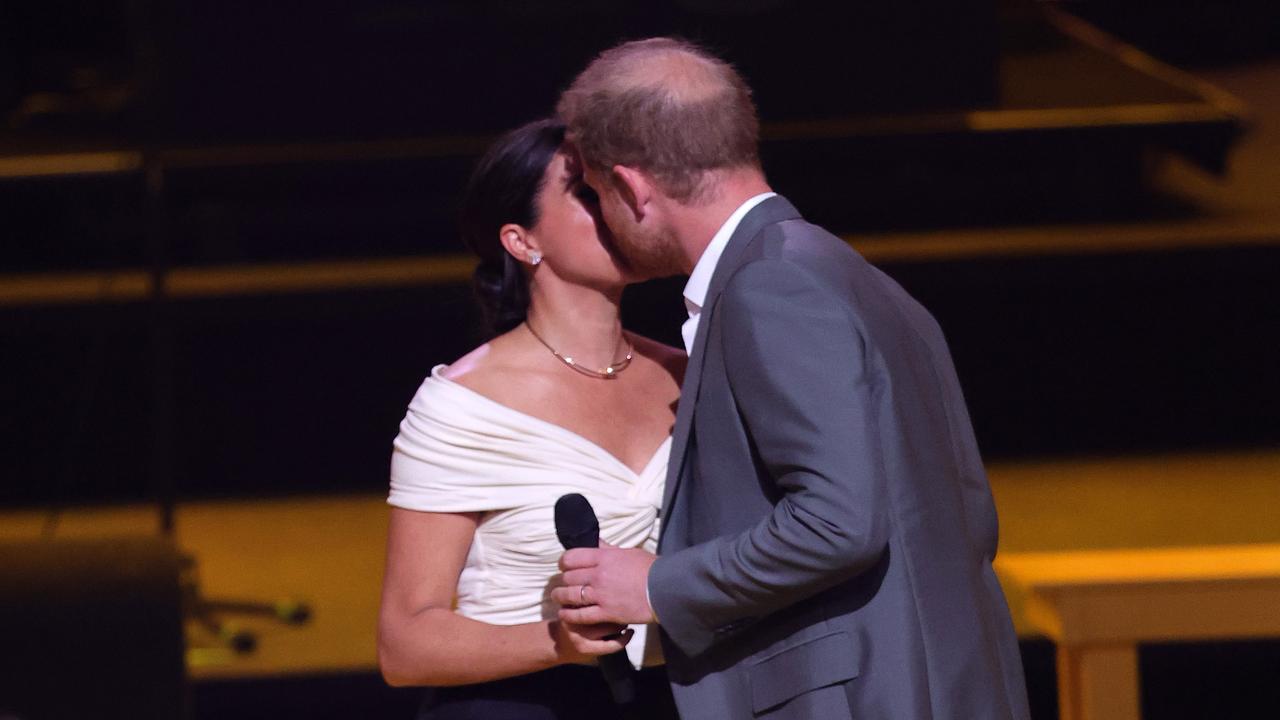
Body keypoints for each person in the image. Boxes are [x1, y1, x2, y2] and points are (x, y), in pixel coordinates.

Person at [551, 38, 1032, 719]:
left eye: (597, 194)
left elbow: (839, 521)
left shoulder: (770, 287)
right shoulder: (856, 278)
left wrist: (657, 585)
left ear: (630, 186)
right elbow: (965, 517)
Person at [377, 118, 683, 720]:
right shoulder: (463, 403)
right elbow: (403, 644)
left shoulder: (689, 373)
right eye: (587, 194)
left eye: (618, 189)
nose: (615, 207)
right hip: (520, 703)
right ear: (522, 242)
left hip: (682, 697)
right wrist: (555, 643)